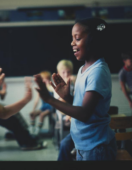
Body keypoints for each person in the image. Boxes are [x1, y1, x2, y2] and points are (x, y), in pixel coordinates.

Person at [34, 17, 117, 161]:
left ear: (93, 40)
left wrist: (49, 99)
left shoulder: (98, 71)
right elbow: (85, 106)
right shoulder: (82, 70)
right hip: (84, 144)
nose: (72, 42)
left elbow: (84, 114)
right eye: (72, 38)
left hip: (96, 147)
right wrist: (68, 98)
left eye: (77, 38)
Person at [0, 80, 48, 150]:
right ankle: (26, 142)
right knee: (13, 119)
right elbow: (1, 110)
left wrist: (1, 92)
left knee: (15, 114)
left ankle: (27, 137)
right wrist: (26, 99)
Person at [54, 59, 77, 161]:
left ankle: (76, 148)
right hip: (63, 114)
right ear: (59, 74)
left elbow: (77, 100)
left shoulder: (74, 83)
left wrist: (75, 84)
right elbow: (60, 103)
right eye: (63, 72)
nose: (66, 74)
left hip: (74, 113)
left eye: (68, 72)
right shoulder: (58, 86)